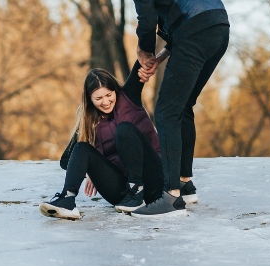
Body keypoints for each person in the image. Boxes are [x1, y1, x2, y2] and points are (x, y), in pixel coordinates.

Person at [95, 0, 229, 217]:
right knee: (182, 107)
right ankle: (185, 183)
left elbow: (147, 18)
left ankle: (171, 196)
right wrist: (159, 57)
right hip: (217, 28)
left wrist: (144, 51)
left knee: (167, 110)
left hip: (196, 31)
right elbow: (181, 20)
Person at [39, 61, 187, 220]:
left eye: (109, 95)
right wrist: (90, 172)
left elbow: (143, 61)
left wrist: (169, 45)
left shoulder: (129, 97)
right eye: (98, 98)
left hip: (153, 181)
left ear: (115, 91)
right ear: (90, 99)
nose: (105, 101)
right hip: (122, 194)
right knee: (82, 148)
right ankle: (67, 200)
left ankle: (136, 189)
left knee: (124, 129)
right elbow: (66, 160)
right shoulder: (88, 121)